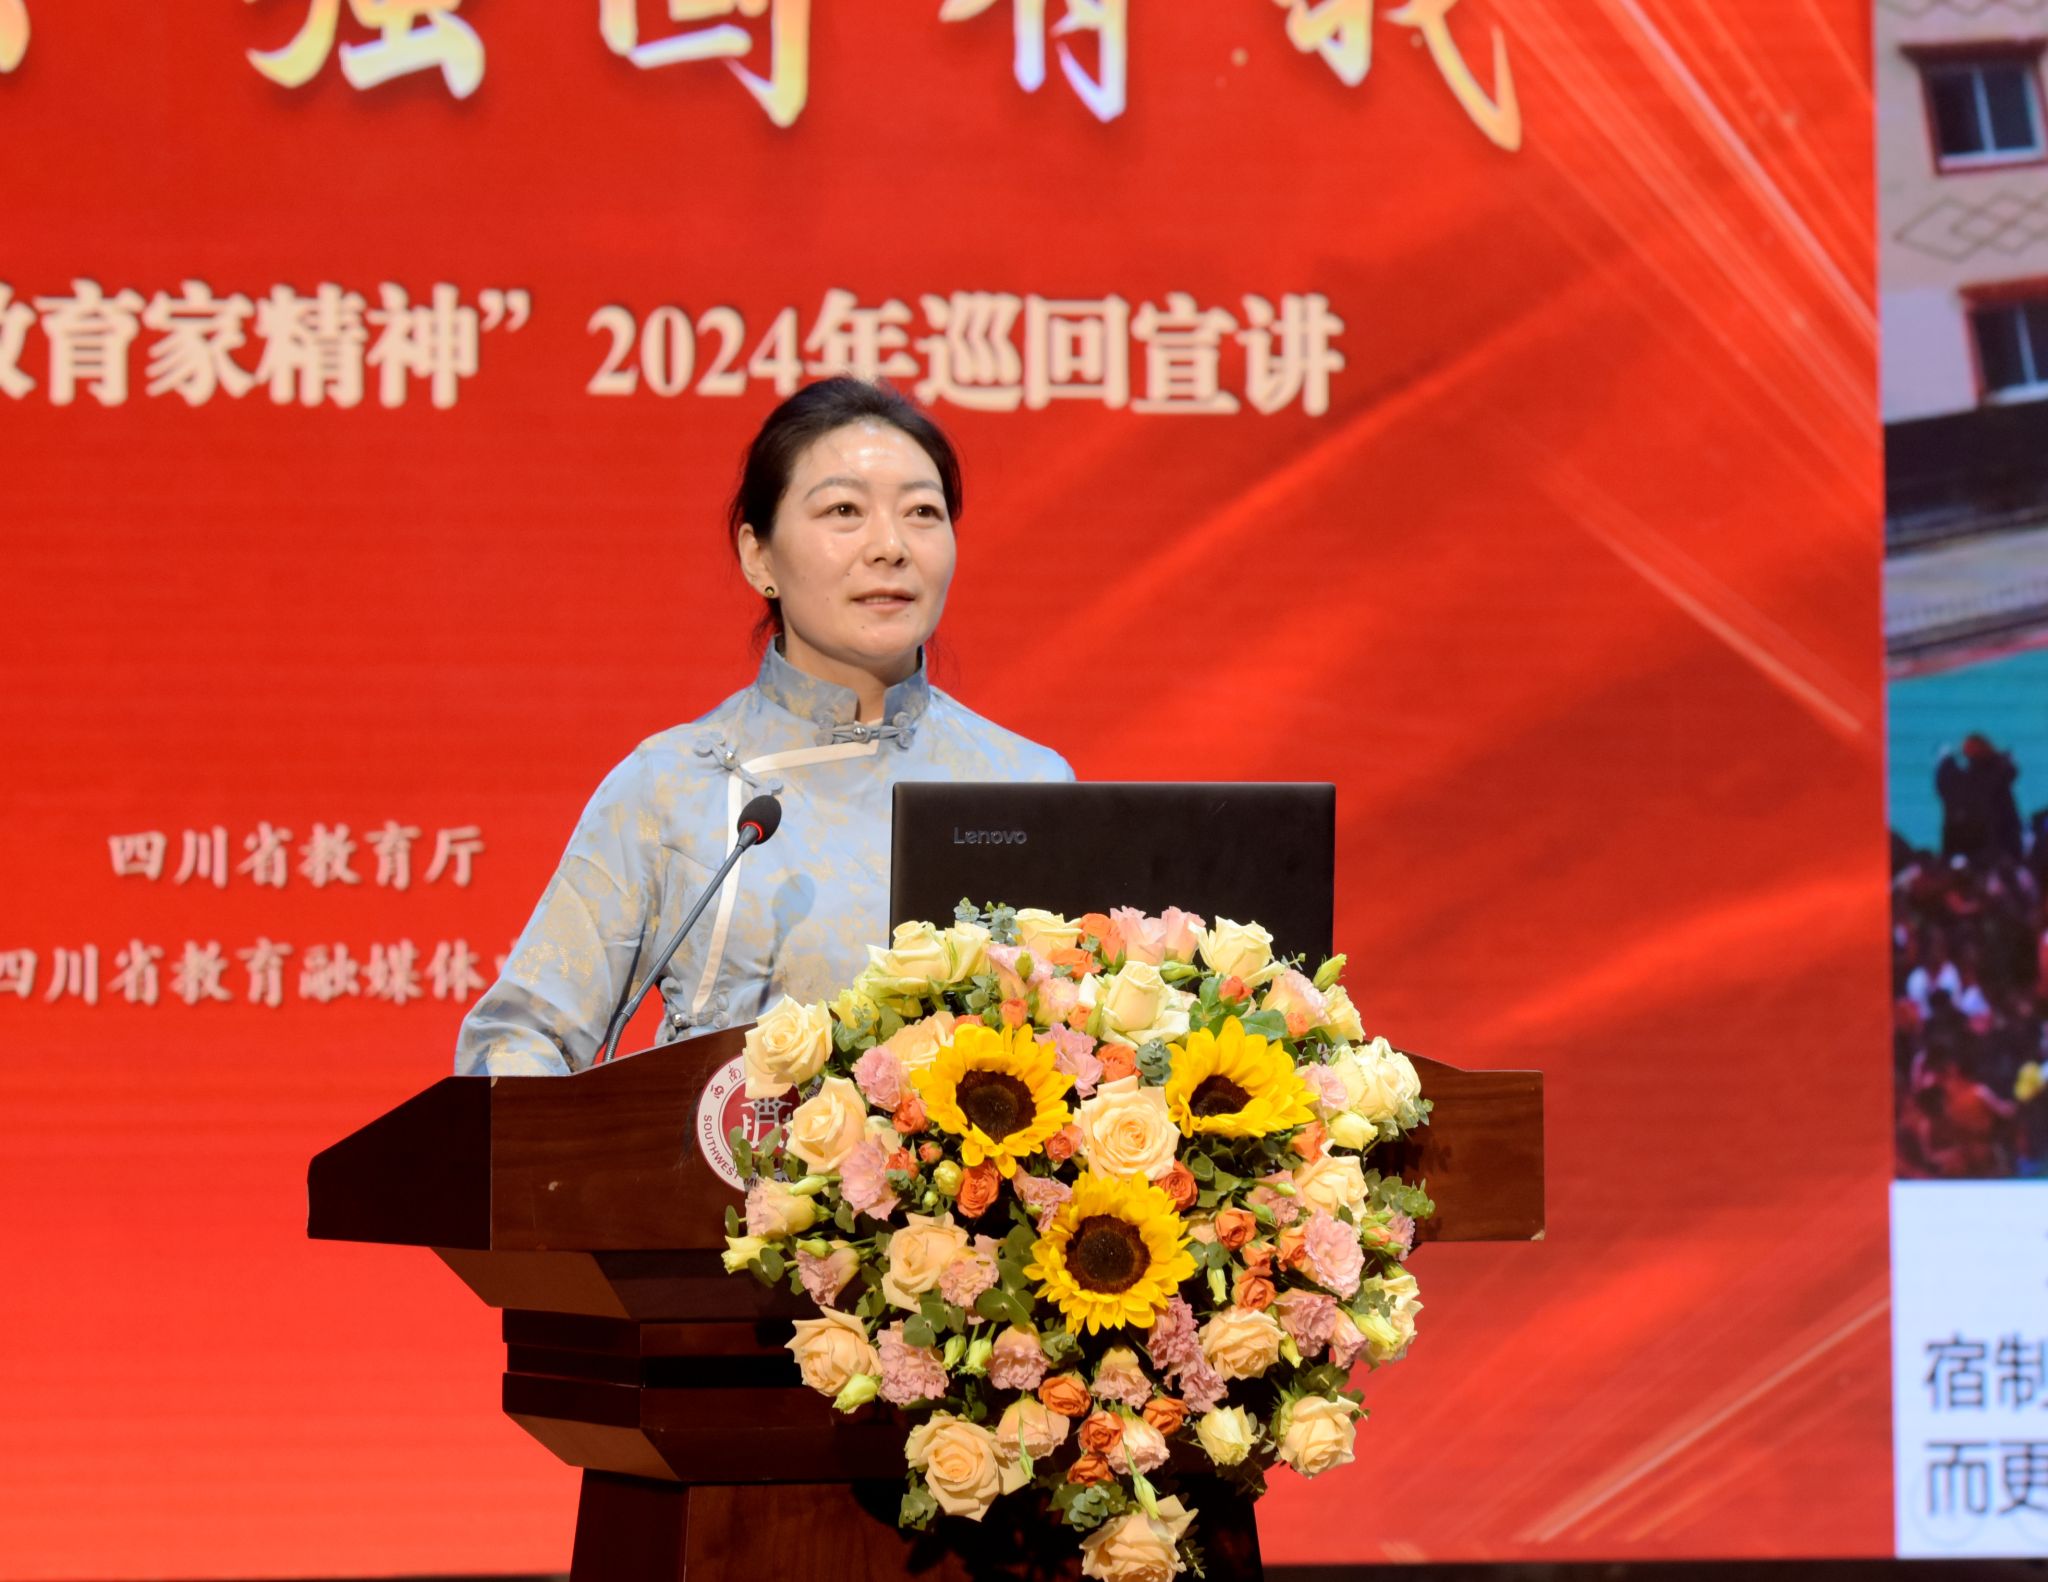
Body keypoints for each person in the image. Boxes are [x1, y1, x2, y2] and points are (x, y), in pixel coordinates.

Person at [455, 379, 1072, 1076]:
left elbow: (1085, 1047)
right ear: (759, 556)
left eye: (922, 512)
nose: (890, 545)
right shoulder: (673, 784)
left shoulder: (1029, 785)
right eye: (844, 510)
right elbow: (513, 1040)